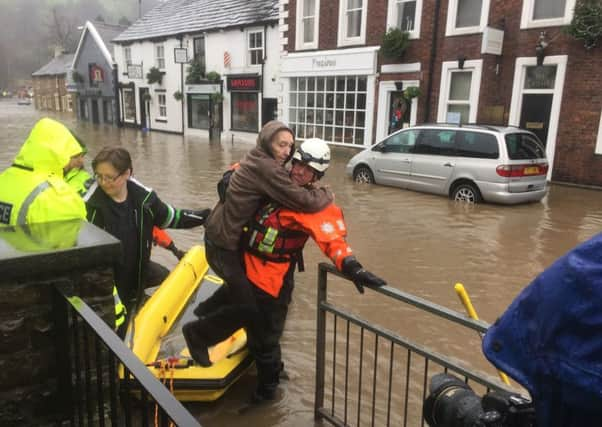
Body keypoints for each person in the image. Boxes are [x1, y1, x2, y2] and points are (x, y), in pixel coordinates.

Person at [186, 138, 387, 403]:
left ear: (316, 176)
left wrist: (353, 267)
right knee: (257, 324)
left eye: (308, 170)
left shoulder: (314, 206)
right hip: (245, 265)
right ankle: (259, 371)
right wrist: (228, 176)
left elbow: (333, 241)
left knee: (267, 333)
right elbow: (247, 168)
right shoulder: (273, 178)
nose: (299, 171)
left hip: (272, 277)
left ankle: (266, 391)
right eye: (298, 163)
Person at [183, 121, 334, 366]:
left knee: (240, 292)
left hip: (221, 238)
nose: (286, 152)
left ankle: (204, 311)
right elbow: (303, 201)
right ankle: (197, 334)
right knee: (247, 307)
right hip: (223, 244)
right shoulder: (270, 169)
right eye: (281, 145)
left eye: (290, 146)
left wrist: (228, 177)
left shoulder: (259, 158)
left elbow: (331, 235)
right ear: (267, 142)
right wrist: (326, 194)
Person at [83, 147, 211, 332]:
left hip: (137, 273)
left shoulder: (144, 199)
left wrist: (204, 216)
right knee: (119, 332)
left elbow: (171, 217)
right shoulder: (90, 206)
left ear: (127, 173)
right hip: (109, 284)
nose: (103, 183)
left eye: (110, 177)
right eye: (99, 176)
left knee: (166, 279)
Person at [0, 117, 86, 226]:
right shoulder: (58, 196)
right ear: (61, 154)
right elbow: (74, 237)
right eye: (72, 155)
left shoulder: (3, 178)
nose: (79, 161)